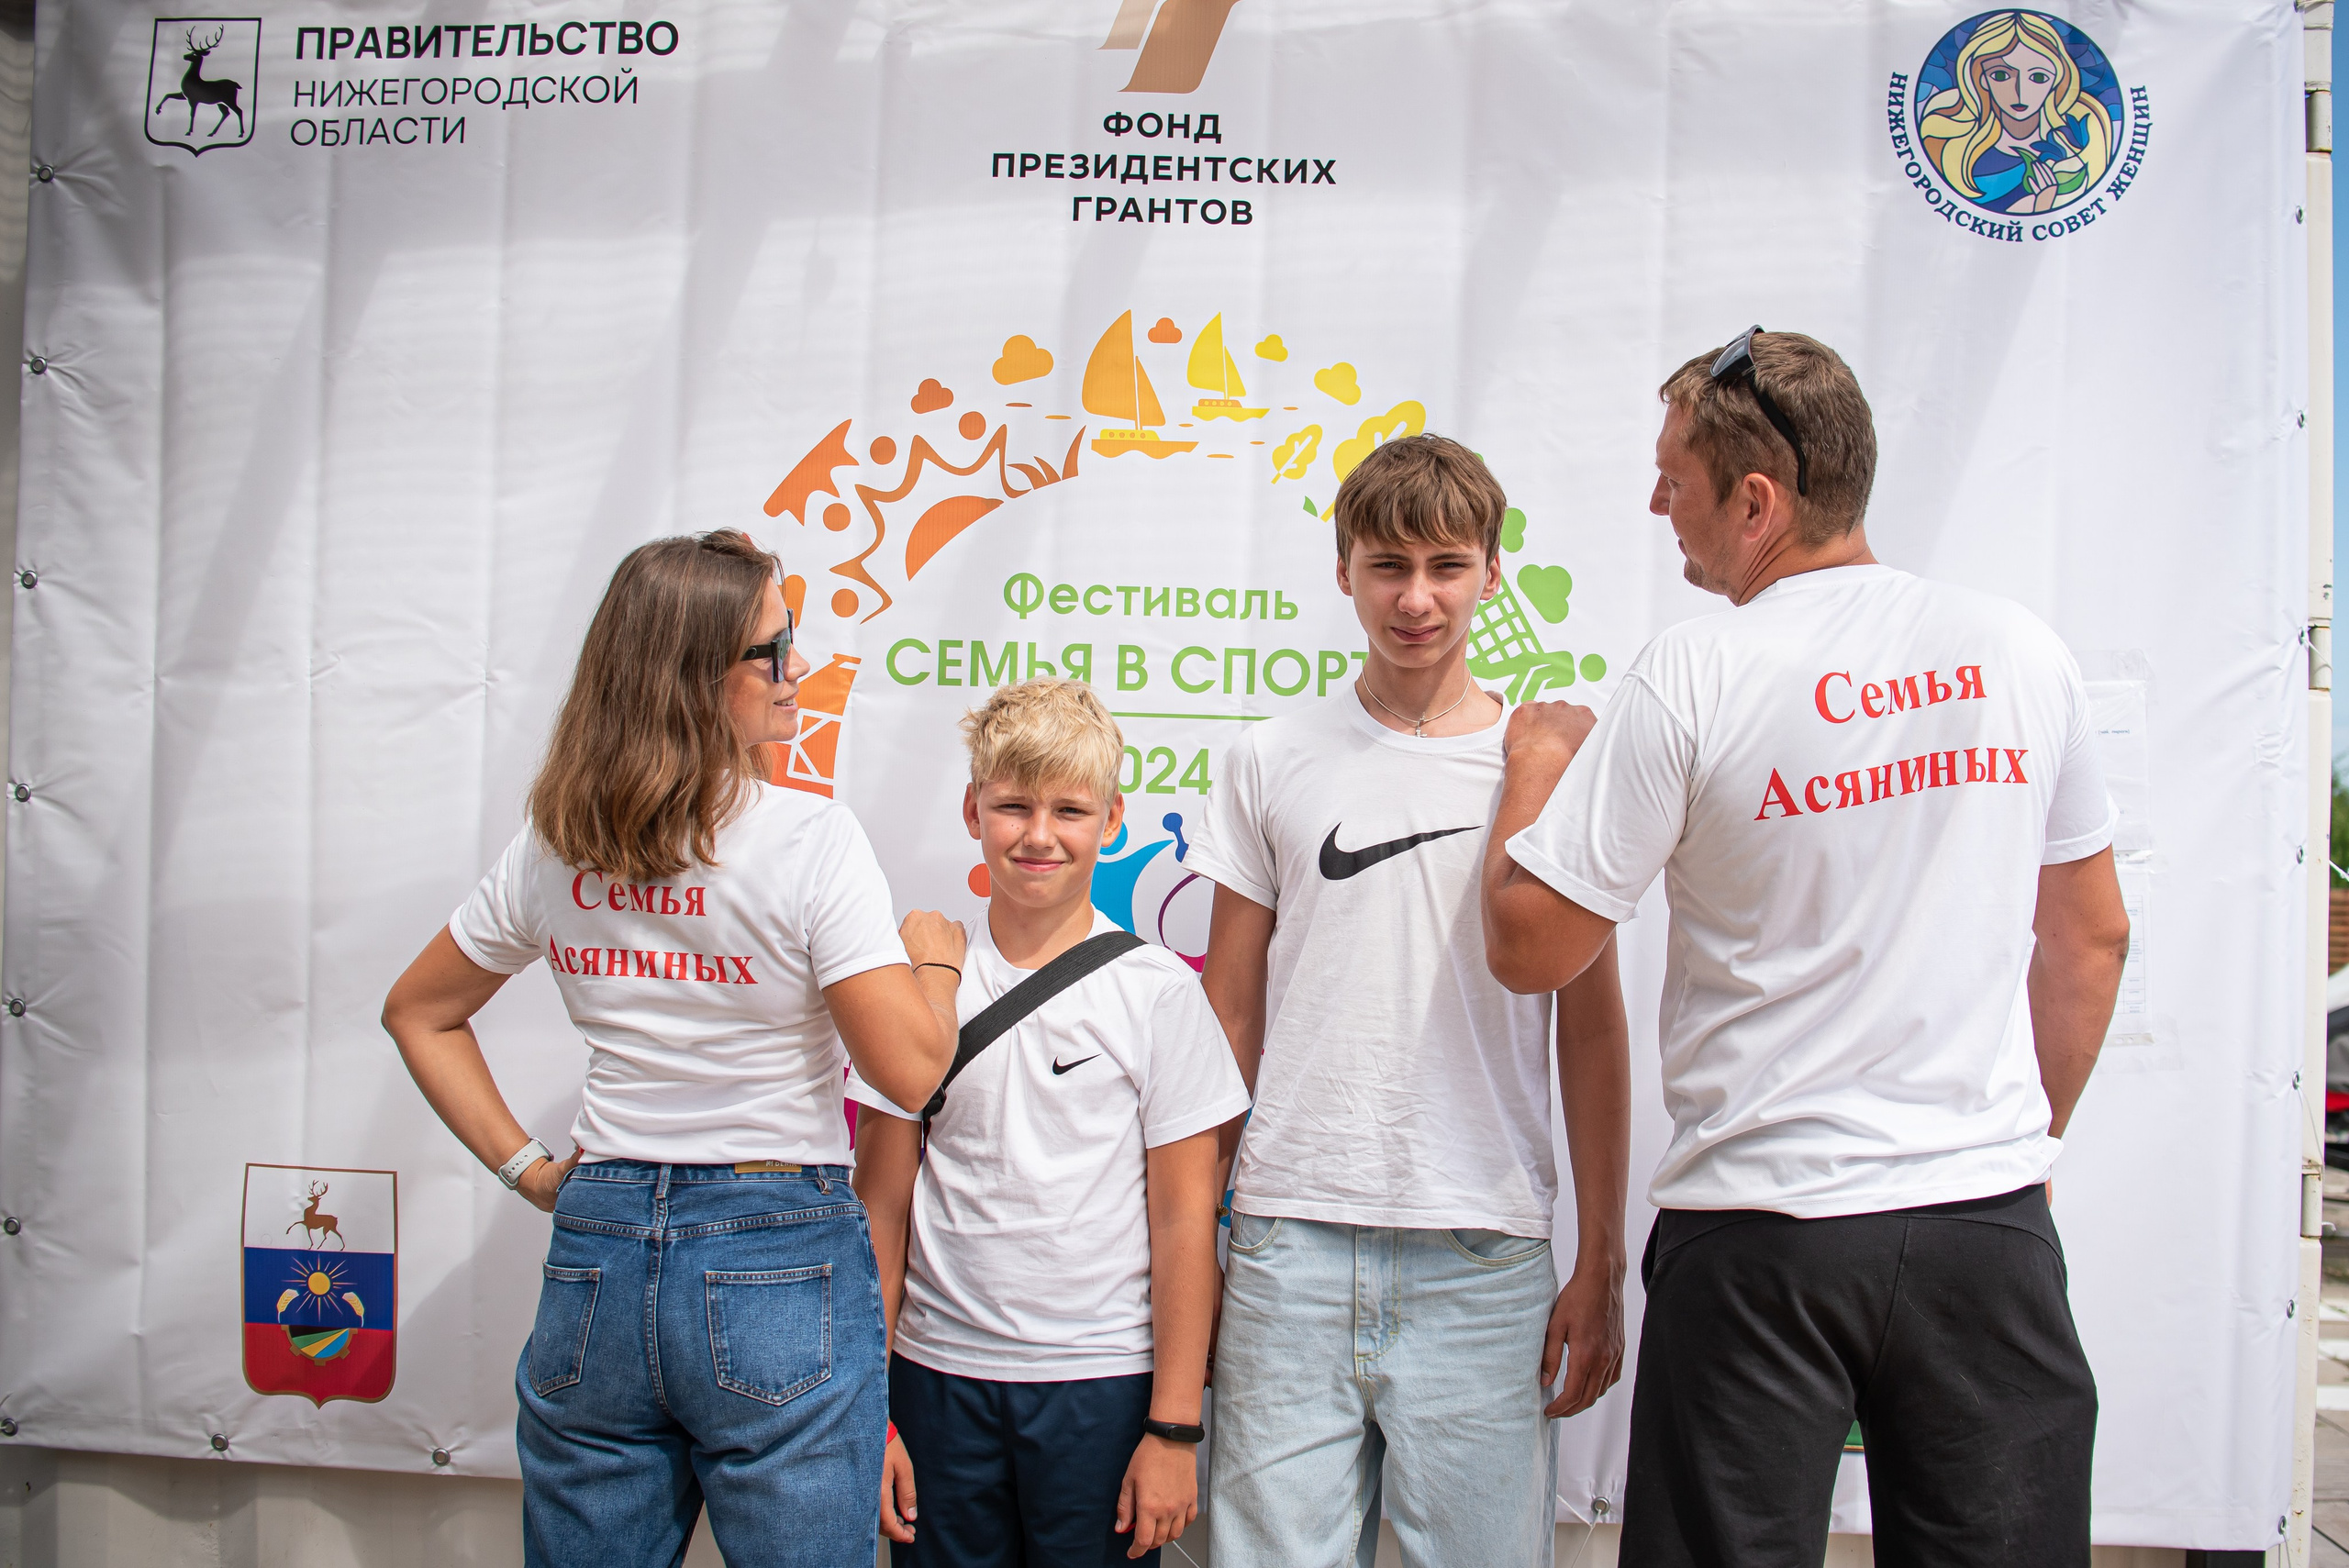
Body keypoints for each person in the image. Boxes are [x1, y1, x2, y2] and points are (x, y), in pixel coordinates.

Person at [1482, 328, 2132, 1567]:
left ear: (1758, 500)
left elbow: (1529, 944)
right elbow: (2091, 938)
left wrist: (1532, 768)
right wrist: (2024, 1141)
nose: (1657, 502)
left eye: (1674, 475)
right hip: (1978, 1223)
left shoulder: (1697, 667)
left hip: (1762, 1238)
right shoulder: (2018, 648)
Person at [382, 530, 964, 1568]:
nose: (798, 672)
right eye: (770, 653)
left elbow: (419, 1012)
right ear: (696, 678)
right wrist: (934, 966)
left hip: (598, 1242)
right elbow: (911, 1070)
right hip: (772, 1245)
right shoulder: (806, 837)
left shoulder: (560, 841)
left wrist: (531, 1172)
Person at [1190, 434, 1633, 1568]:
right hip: (1287, 1241)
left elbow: (1590, 1029)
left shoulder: (1551, 763)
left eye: (1446, 564)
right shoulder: (1269, 755)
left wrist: (1597, 1258)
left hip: (1484, 1252)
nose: (1417, 598)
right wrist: (1202, 1229)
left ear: (1492, 569)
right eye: (1388, 566)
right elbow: (1227, 1011)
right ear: (1343, 571)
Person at [850, 678, 1249, 1566]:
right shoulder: (918, 985)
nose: (1038, 834)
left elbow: (1187, 1218)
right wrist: (864, 1411)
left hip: (1100, 1385)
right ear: (971, 809)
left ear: (1112, 819)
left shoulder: (1159, 992)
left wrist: (1175, 1428)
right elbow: (877, 1205)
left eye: (1069, 808)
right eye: (1012, 805)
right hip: (934, 1379)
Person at [1919, 10, 2115, 217]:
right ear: (1981, 78)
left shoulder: (2075, 149)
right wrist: (2041, 204)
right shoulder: (1954, 150)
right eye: (2001, 75)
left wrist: (2045, 204)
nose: (2020, 92)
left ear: (2057, 80)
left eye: (2038, 77)